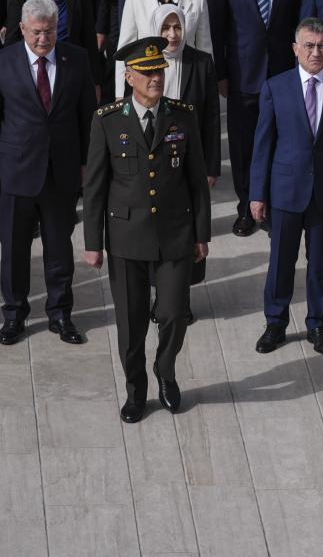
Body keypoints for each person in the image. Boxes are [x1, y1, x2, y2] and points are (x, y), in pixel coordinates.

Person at [82, 36, 211, 423]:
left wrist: (202, 234)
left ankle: (165, 371)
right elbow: (95, 187)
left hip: (175, 234)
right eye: (148, 72)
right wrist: (93, 243)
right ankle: (136, 390)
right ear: (128, 76)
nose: (156, 78)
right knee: (131, 324)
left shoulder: (182, 115)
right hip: (126, 238)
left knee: (173, 314)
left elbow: (195, 180)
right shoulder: (107, 120)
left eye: (160, 71)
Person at [250, 18, 323, 356]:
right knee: (281, 262)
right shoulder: (275, 87)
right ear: (296, 49)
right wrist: (257, 193)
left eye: (322, 46)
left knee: (321, 265)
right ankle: (275, 323)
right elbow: (263, 144)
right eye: (309, 46)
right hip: (285, 191)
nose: (316, 52)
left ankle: (317, 325)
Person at [0, 0, 94, 348]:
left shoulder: (77, 59)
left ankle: (60, 313)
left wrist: (87, 164)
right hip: (15, 171)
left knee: (59, 247)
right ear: (22, 28)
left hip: (61, 171)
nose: (44, 38)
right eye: (37, 32)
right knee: (13, 249)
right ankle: (14, 314)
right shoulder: (4, 62)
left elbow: (88, 116)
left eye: (50, 31)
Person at [208, 0, 307, 237]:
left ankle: (274, 206)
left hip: (282, 75)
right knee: (243, 146)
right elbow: (217, 29)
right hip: (242, 76)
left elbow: (299, 23)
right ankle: (246, 207)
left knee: (281, 143)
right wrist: (221, 73)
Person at [148, 3, 221, 326]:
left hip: (191, 161)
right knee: (155, 231)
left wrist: (211, 167)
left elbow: (211, 120)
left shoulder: (201, 63)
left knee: (188, 231)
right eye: (165, 28)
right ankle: (161, 299)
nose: (172, 35)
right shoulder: (145, 62)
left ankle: (182, 299)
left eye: (177, 27)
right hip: (155, 161)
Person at [114, 0, 212, 101]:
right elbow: (125, 47)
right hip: (147, 87)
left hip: (186, 85)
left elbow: (205, 48)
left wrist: (208, 89)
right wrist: (119, 93)